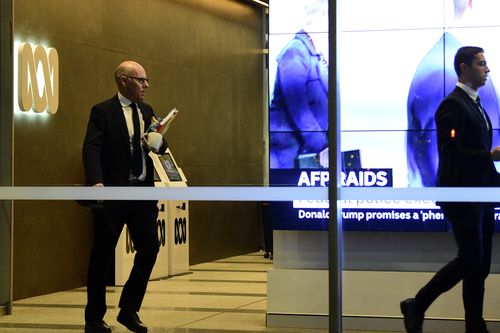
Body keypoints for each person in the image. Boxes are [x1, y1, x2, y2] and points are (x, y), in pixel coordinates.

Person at [400, 47, 500, 333]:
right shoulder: (452, 106)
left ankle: (474, 325)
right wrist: (489, 157)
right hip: (461, 196)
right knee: (470, 259)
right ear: (464, 68)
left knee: (479, 267)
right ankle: (417, 304)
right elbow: (451, 152)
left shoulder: (476, 104)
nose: (487, 69)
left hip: (480, 196)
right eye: (482, 64)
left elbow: (479, 156)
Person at [82, 60, 167, 333]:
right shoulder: (103, 112)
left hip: (142, 195)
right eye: (140, 80)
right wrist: (96, 182)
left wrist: (159, 143)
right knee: (102, 255)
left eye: (146, 80)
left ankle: (129, 310)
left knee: (150, 248)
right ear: (123, 81)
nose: (146, 85)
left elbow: (160, 145)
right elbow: (91, 148)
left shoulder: (147, 110)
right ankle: (94, 320)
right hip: (114, 195)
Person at [269, 0, 328, 169]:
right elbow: (298, 107)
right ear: (319, 20)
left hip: (304, 150)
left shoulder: (315, 55)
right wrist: (321, 145)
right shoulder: (294, 52)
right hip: (286, 153)